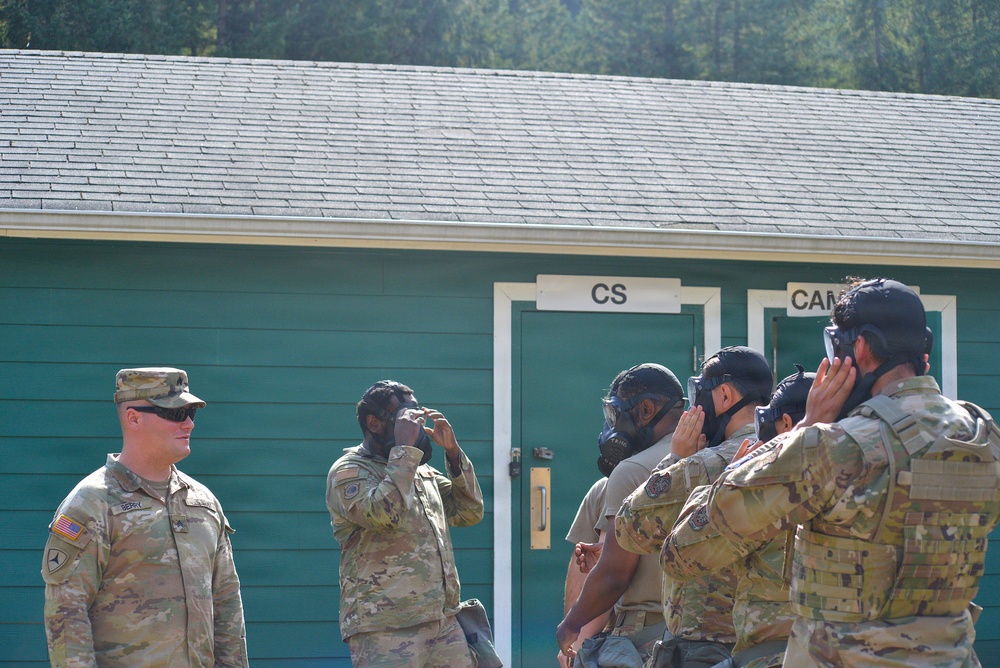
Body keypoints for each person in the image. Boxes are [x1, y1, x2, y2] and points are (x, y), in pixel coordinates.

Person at [661, 278, 1000, 666]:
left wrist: (805, 428)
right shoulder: (982, 435)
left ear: (859, 347)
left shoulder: (834, 445)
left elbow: (684, 552)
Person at [42, 367, 248, 667]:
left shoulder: (202, 502)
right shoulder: (92, 503)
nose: (189, 423)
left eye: (191, 413)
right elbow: (67, 613)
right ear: (133, 418)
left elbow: (227, 605)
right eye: (175, 413)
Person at [614, 346, 772, 668]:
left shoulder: (707, 463)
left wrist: (675, 460)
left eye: (700, 392)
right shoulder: (787, 453)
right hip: (770, 645)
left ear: (724, 396)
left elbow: (630, 529)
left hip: (705, 645)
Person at [659, 365, 815, 668]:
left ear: (785, 423)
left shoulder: (761, 484)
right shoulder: (872, 466)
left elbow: (677, 557)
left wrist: (729, 482)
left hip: (770, 656)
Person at [327, 380, 485, 667]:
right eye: (404, 417)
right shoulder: (350, 471)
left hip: (443, 620)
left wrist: (453, 453)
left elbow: (469, 512)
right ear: (373, 423)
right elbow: (383, 516)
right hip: (386, 627)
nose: (414, 425)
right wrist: (405, 450)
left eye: (416, 416)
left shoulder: (419, 470)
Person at [556, 364, 686, 667]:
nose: (612, 426)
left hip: (646, 640)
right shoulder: (720, 457)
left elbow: (612, 574)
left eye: (616, 414)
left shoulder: (630, 472)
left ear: (646, 410)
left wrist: (571, 634)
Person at [560, 476, 613, 667]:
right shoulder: (603, 488)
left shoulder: (614, 483)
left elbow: (608, 573)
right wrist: (572, 639)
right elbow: (584, 560)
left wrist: (574, 641)